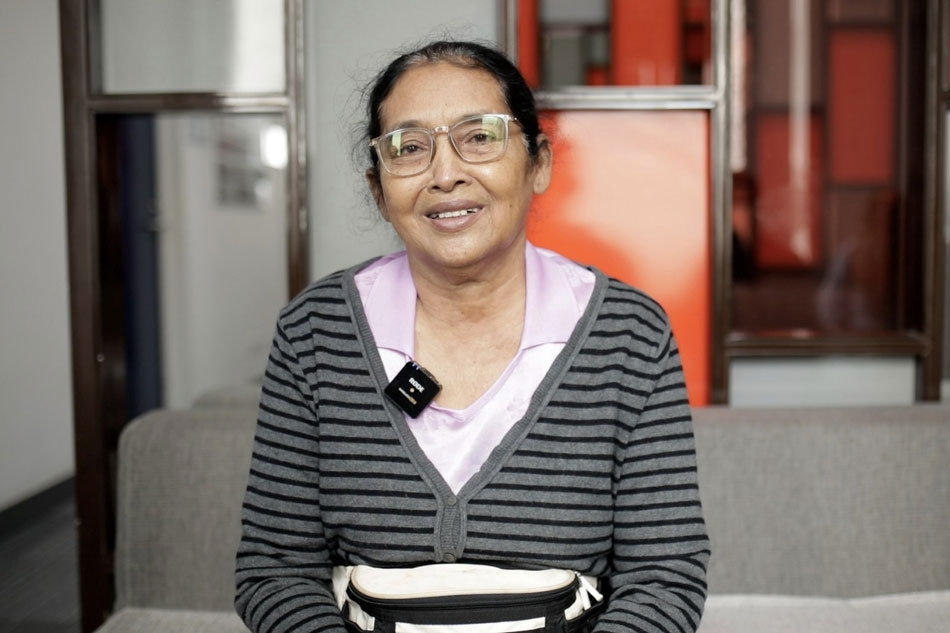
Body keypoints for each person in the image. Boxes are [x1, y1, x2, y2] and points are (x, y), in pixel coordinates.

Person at [235, 40, 709, 633]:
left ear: (538, 163)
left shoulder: (628, 333)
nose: (445, 174)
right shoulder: (315, 331)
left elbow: (665, 578)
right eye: (409, 148)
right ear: (379, 189)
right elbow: (274, 571)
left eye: (479, 137)